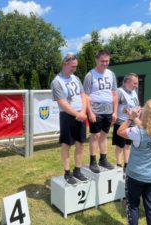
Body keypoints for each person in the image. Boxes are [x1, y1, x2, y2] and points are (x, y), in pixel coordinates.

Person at [117, 99, 151, 225]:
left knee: (133, 206)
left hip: (136, 175)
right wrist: (135, 118)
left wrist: (130, 118)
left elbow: (120, 131)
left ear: (146, 114)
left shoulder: (138, 132)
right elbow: (149, 128)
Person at [51, 53, 88, 185]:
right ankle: (67, 172)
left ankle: (77, 170)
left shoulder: (76, 78)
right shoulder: (57, 81)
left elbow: (83, 95)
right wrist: (77, 114)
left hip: (81, 114)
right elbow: (62, 103)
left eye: (76, 66)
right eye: (72, 66)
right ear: (64, 64)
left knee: (80, 143)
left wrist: (83, 111)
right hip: (67, 116)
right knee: (66, 144)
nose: (74, 69)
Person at [83, 49, 118, 173]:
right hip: (95, 109)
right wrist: (90, 112)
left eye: (107, 61)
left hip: (108, 109)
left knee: (104, 135)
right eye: (102, 61)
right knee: (95, 136)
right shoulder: (90, 75)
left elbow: (114, 94)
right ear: (97, 60)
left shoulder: (111, 74)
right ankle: (93, 161)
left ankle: (103, 159)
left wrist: (115, 112)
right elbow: (85, 96)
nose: (105, 63)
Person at [112, 73, 139, 171]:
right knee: (120, 145)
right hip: (121, 123)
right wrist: (125, 111)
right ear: (127, 82)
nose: (136, 86)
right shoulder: (119, 91)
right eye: (134, 83)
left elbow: (135, 105)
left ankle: (126, 165)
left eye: (137, 83)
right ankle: (119, 165)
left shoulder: (133, 91)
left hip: (132, 123)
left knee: (128, 145)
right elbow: (114, 106)